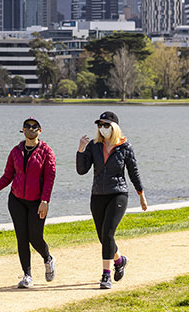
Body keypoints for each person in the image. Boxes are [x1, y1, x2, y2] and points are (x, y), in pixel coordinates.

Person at [0, 117, 57, 288]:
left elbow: (50, 178)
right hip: (16, 201)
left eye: (34, 126)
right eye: (27, 126)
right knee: (22, 238)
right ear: (23, 130)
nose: (31, 129)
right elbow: (8, 176)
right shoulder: (16, 151)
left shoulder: (46, 152)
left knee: (35, 237)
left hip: (37, 202)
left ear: (40, 130)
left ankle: (48, 258)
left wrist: (45, 200)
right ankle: (27, 276)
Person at [76, 110, 146, 289]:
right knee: (103, 237)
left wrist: (141, 194)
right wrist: (81, 150)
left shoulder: (125, 147)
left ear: (114, 127)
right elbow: (82, 170)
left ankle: (106, 275)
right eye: (100, 125)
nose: (102, 128)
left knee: (108, 234)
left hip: (118, 194)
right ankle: (119, 260)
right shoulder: (94, 146)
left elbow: (133, 172)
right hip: (97, 195)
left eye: (106, 125)